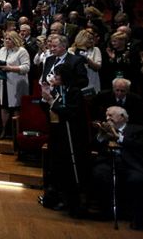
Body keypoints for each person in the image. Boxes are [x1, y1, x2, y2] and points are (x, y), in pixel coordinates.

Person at [39, 63, 89, 217]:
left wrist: (52, 102)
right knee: (55, 166)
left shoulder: (75, 92)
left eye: (57, 75)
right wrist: (46, 97)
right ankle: (54, 196)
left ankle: (72, 201)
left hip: (72, 136)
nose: (54, 77)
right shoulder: (57, 89)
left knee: (69, 168)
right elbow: (46, 108)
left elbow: (69, 112)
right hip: (57, 133)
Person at [91, 106, 143, 230]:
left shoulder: (137, 129)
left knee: (137, 179)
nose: (107, 118)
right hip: (109, 162)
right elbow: (93, 146)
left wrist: (117, 136)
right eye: (107, 115)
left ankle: (136, 216)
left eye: (111, 116)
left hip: (130, 164)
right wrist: (101, 135)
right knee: (98, 173)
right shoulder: (104, 130)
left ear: (122, 117)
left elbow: (138, 145)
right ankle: (105, 211)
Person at [0, 31, 31, 139]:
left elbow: (26, 67)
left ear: (15, 39)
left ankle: (16, 132)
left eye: (9, 39)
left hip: (17, 83)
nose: (7, 40)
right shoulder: (2, 50)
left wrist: (11, 68)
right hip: (4, 82)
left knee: (16, 107)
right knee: (4, 107)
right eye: (6, 38)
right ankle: (4, 129)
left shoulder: (21, 51)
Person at [68, 29, 102, 95]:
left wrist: (87, 59)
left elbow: (98, 67)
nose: (92, 41)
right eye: (89, 39)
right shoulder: (71, 50)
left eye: (92, 39)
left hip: (92, 80)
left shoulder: (95, 50)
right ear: (82, 39)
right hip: (76, 82)